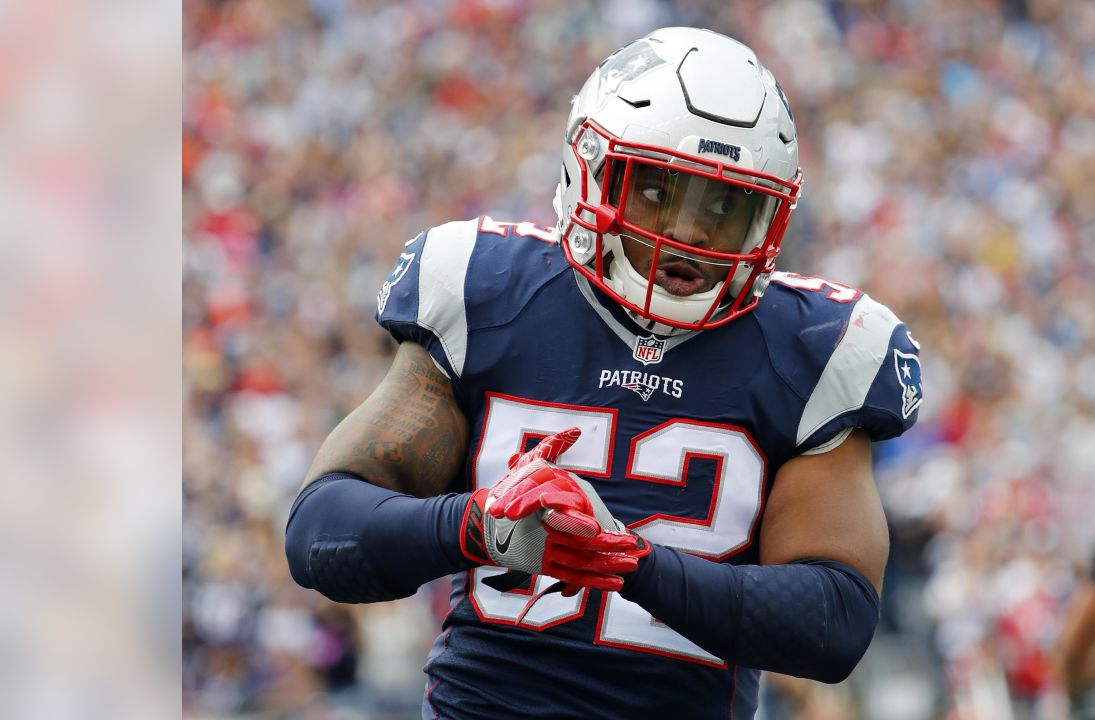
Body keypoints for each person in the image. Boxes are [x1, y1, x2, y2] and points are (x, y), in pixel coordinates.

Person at [285, 26, 924, 719]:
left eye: (725, 205)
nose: (694, 234)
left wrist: (628, 561)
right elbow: (320, 532)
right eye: (660, 191)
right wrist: (478, 527)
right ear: (589, 165)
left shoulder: (815, 347)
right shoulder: (488, 289)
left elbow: (834, 622)